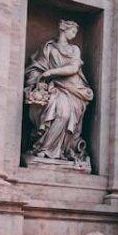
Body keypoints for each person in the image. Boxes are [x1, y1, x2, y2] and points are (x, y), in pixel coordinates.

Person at [24, 19, 93, 162]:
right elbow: (36, 67)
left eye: (76, 33)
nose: (74, 35)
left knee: (65, 115)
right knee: (57, 113)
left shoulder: (75, 49)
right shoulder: (48, 48)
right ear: (64, 30)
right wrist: (36, 82)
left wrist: (50, 72)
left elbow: (74, 68)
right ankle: (44, 148)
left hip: (74, 88)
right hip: (54, 87)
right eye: (72, 31)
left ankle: (61, 149)